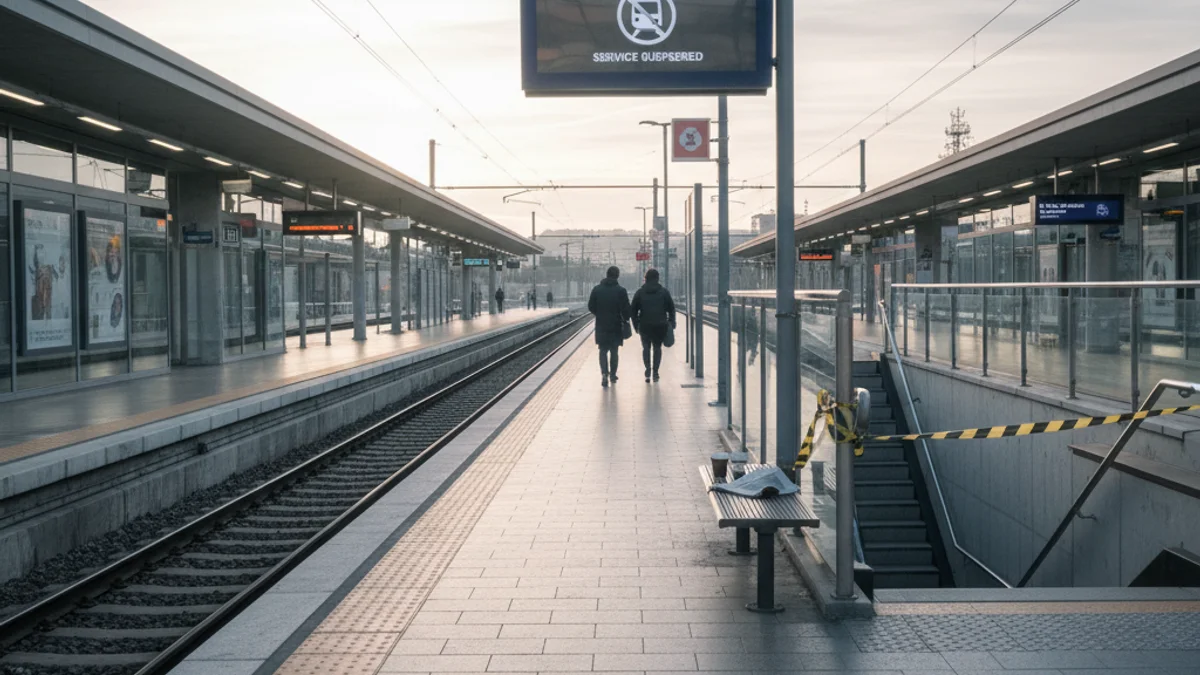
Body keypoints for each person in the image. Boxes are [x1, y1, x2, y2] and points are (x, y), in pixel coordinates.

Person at [630, 268, 676, 383]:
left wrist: (636, 325)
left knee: (646, 348)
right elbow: (671, 308)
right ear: (657, 278)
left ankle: (647, 370)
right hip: (660, 325)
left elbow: (633, 310)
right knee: (657, 348)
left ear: (645, 278)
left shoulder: (640, 292)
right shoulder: (664, 292)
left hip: (644, 325)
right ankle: (655, 372)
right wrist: (671, 322)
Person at [588, 266, 631, 388]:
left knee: (602, 350)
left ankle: (604, 374)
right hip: (616, 325)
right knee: (614, 350)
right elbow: (626, 309)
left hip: (601, 325)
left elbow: (591, 306)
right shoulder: (621, 291)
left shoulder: (597, 289)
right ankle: (612, 374)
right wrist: (625, 318)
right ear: (617, 276)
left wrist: (599, 314)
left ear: (606, 275)